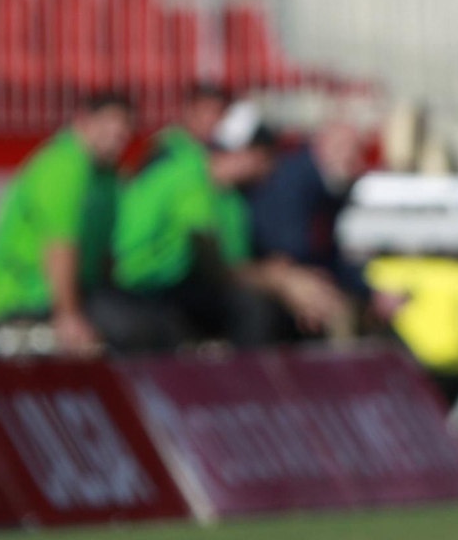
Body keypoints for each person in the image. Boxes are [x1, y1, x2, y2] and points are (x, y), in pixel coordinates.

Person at [94, 99, 337, 353]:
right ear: (250, 155)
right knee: (253, 310)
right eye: (267, 158)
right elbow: (215, 268)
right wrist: (280, 281)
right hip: (143, 291)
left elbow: (232, 265)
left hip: (172, 287)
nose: (271, 169)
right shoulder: (190, 179)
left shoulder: (229, 199)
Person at [0, 92, 135, 356]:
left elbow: (104, 253)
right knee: (124, 330)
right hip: (24, 296)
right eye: (109, 123)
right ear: (84, 121)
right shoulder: (64, 167)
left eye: (124, 126)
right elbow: (60, 245)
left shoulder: (106, 177)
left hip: (72, 292)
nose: (118, 134)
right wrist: (68, 316)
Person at [249, 118, 404, 335]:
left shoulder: (331, 188)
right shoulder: (294, 180)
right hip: (270, 278)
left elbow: (331, 253)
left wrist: (371, 291)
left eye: (355, 151)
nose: (350, 159)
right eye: (342, 148)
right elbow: (289, 250)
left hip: (295, 276)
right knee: (340, 316)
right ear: (321, 146)